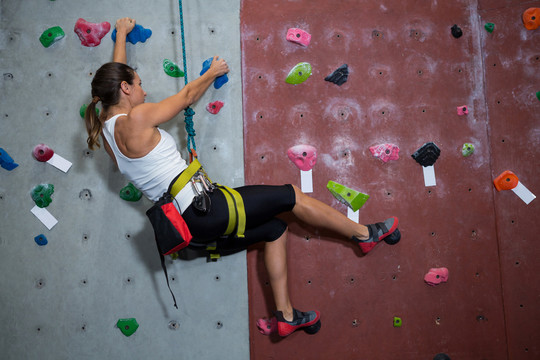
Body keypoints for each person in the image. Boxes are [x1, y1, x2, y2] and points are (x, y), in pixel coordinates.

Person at [85, 17, 401, 338]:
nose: (144, 89)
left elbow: (115, 75)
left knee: (276, 229)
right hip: (203, 207)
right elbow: (185, 98)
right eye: (137, 84)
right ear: (125, 89)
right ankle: (364, 234)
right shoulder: (137, 117)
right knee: (290, 195)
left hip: (192, 226)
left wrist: (121, 35)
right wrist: (212, 72)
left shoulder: (107, 134)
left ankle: (287, 316)